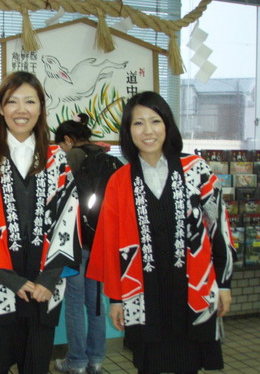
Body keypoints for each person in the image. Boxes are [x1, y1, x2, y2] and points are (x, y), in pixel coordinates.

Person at [87, 91, 236, 374]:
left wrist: (224, 283)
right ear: (128, 131)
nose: (148, 131)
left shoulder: (196, 169)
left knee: (189, 364)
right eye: (138, 123)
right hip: (144, 294)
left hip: (192, 290)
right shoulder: (119, 180)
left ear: (167, 124)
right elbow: (111, 245)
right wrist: (116, 300)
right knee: (149, 364)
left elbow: (219, 229)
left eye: (155, 121)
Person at [0, 71, 82, 374]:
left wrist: (49, 279)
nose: (21, 110)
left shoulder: (56, 157)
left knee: (36, 364)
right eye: (12, 101)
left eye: (30, 101)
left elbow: (68, 219)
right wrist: (10, 279)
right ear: (0, 108)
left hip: (44, 285)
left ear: (41, 107)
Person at [53, 114, 122, 374]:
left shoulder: (71, 157)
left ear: (68, 140)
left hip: (78, 241)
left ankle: (76, 361)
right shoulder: (106, 157)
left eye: (61, 144)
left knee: (74, 302)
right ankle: (96, 359)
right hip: (101, 242)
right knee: (95, 303)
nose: (61, 149)